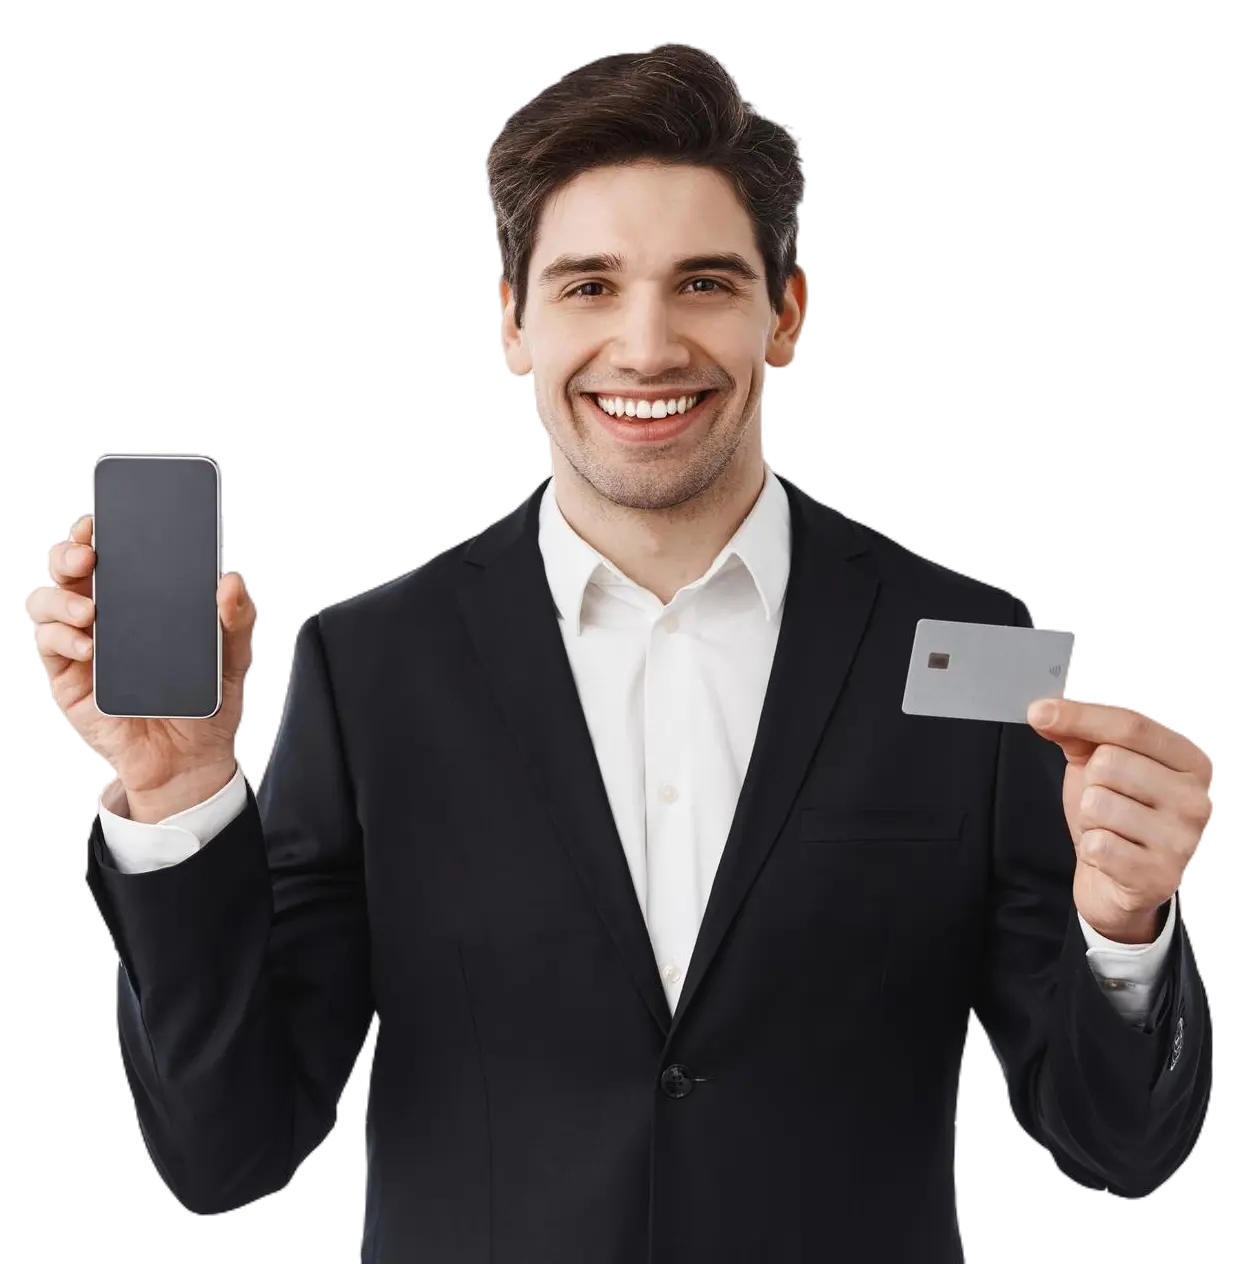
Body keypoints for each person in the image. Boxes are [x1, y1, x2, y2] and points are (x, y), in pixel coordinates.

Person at [29, 43, 1214, 1264]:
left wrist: (1125, 927)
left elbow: (1115, 1146)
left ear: (786, 312)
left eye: (703, 283)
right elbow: (225, 1147)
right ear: (513, 325)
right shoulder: (370, 665)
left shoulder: (972, 646)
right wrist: (172, 804)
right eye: (589, 286)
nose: (647, 349)